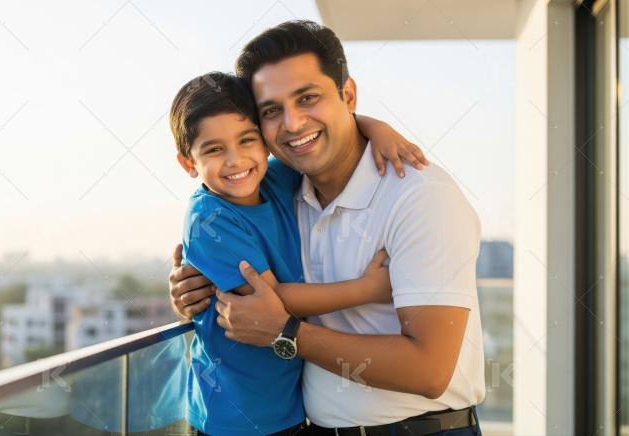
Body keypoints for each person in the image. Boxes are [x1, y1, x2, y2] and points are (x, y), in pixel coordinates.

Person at [170, 20, 485, 436]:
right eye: (272, 111)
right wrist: (200, 287)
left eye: (308, 98)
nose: (293, 123)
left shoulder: (421, 196)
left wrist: (285, 332)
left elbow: (429, 372)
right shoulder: (285, 185)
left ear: (348, 95)